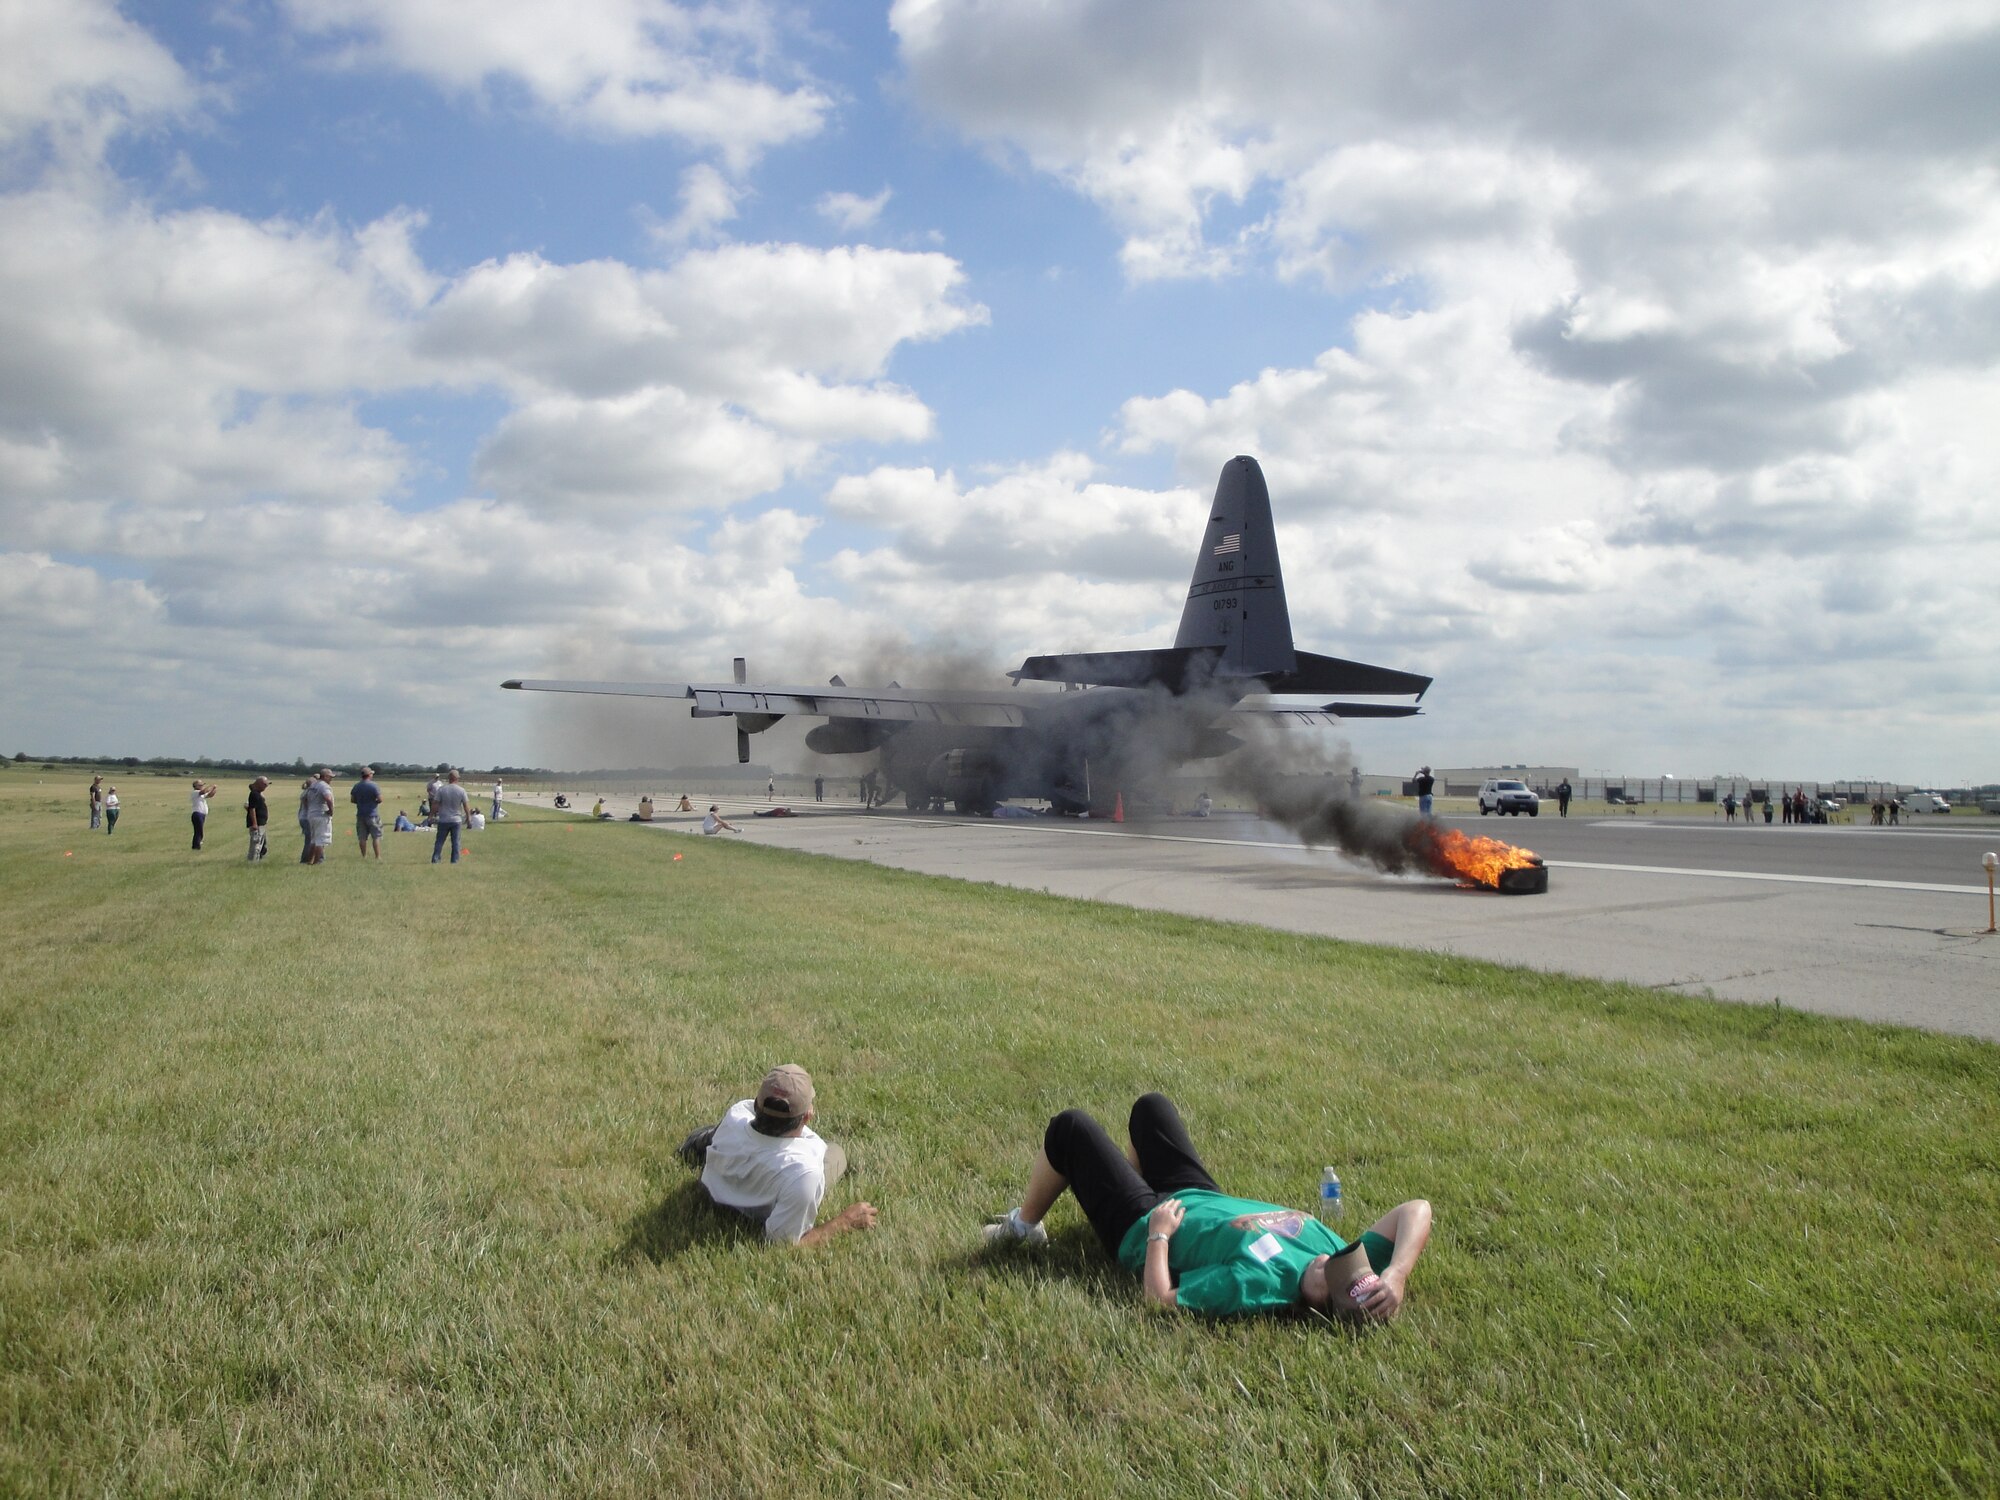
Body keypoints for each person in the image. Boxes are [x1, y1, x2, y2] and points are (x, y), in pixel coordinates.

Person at [985, 1093, 1432, 1323]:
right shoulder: (1343, 1256)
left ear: (1320, 1301)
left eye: (1335, 1274)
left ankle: (1024, 1227)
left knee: (1071, 1128)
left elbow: (1161, 1302)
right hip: (1199, 1193)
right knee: (1151, 1110)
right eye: (1351, 1263)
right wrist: (1396, 1274)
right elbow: (1416, 1208)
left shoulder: (1259, 1284)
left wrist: (1159, 1233)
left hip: (1145, 1225)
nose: (1336, 1259)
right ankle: (1122, 1182)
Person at [676, 1065, 877, 1248]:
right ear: (807, 1116)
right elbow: (783, 1244)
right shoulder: (804, 1172)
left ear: (756, 1105)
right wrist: (844, 1222)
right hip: (773, 1191)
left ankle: (705, 1139)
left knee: (719, 1133)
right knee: (835, 1154)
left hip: (718, 1186)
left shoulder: (737, 1113)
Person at [431, 769, 470, 863]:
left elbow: (435, 804)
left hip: (443, 819)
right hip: (456, 820)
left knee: (440, 841)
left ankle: (436, 859)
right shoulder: (461, 790)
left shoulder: (442, 789)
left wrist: (431, 816)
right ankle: (454, 860)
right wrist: (469, 819)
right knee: (456, 842)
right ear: (457, 778)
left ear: (449, 778)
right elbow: (466, 806)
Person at [302, 769, 336, 864]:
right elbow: (328, 799)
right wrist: (331, 811)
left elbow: (304, 798)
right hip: (321, 815)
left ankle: (310, 860)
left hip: (311, 815)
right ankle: (317, 862)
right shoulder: (324, 786)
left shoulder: (313, 785)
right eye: (330, 777)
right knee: (321, 840)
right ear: (325, 777)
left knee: (314, 840)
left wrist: (309, 808)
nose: (331, 780)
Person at [351, 767, 384, 860]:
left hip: (361, 814)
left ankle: (364, 856)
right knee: (376, 836)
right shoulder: (374, 786)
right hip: (372, 814)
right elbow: (380, 799)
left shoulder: (357, 786)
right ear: (369, 775)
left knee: (362, 837)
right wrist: (374, 801)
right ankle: (377, 856)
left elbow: (352, 800)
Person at [189, 778, 219, 850]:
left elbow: (210, 795)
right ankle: (196, 846)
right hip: (197, 814)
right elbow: (204, 791)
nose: (202, 786)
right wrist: (211, 786)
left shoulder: (201, 794)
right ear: (195, 786)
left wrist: (214, 789)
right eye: (200, 785)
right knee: (199, 831)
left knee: (199, 831)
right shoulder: (195, 792)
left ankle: (196, 845)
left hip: (202, 814)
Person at [245, 776, 270, 861]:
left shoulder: (257, 793)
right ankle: (252, 861)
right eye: (265, 785)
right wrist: (254, 823)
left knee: (261, 844)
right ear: (260, 784)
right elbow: (252, 809)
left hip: (261, 823)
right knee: (256, 844)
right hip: (257, 823)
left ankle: (256, 859)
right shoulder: (254, 794)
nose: (266, 787)